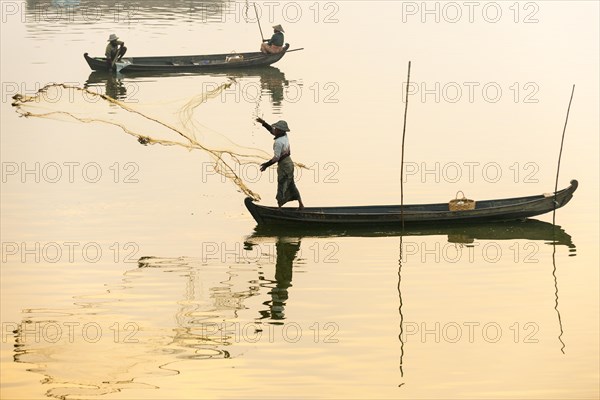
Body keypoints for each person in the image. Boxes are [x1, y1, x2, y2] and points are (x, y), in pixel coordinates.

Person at [256, 117, 304, 209]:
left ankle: (279, 208)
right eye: (276, 128)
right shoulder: (284, 135)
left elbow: (276, 158)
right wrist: (264, 123)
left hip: (284, 165)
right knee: (291, 184)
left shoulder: (278, 142)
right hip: (289, 163)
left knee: (281, 185)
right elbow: (272, 131)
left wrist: (266, 165)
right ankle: (301, 204)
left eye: (277, 129)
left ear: (281, 131)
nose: (275, 130)